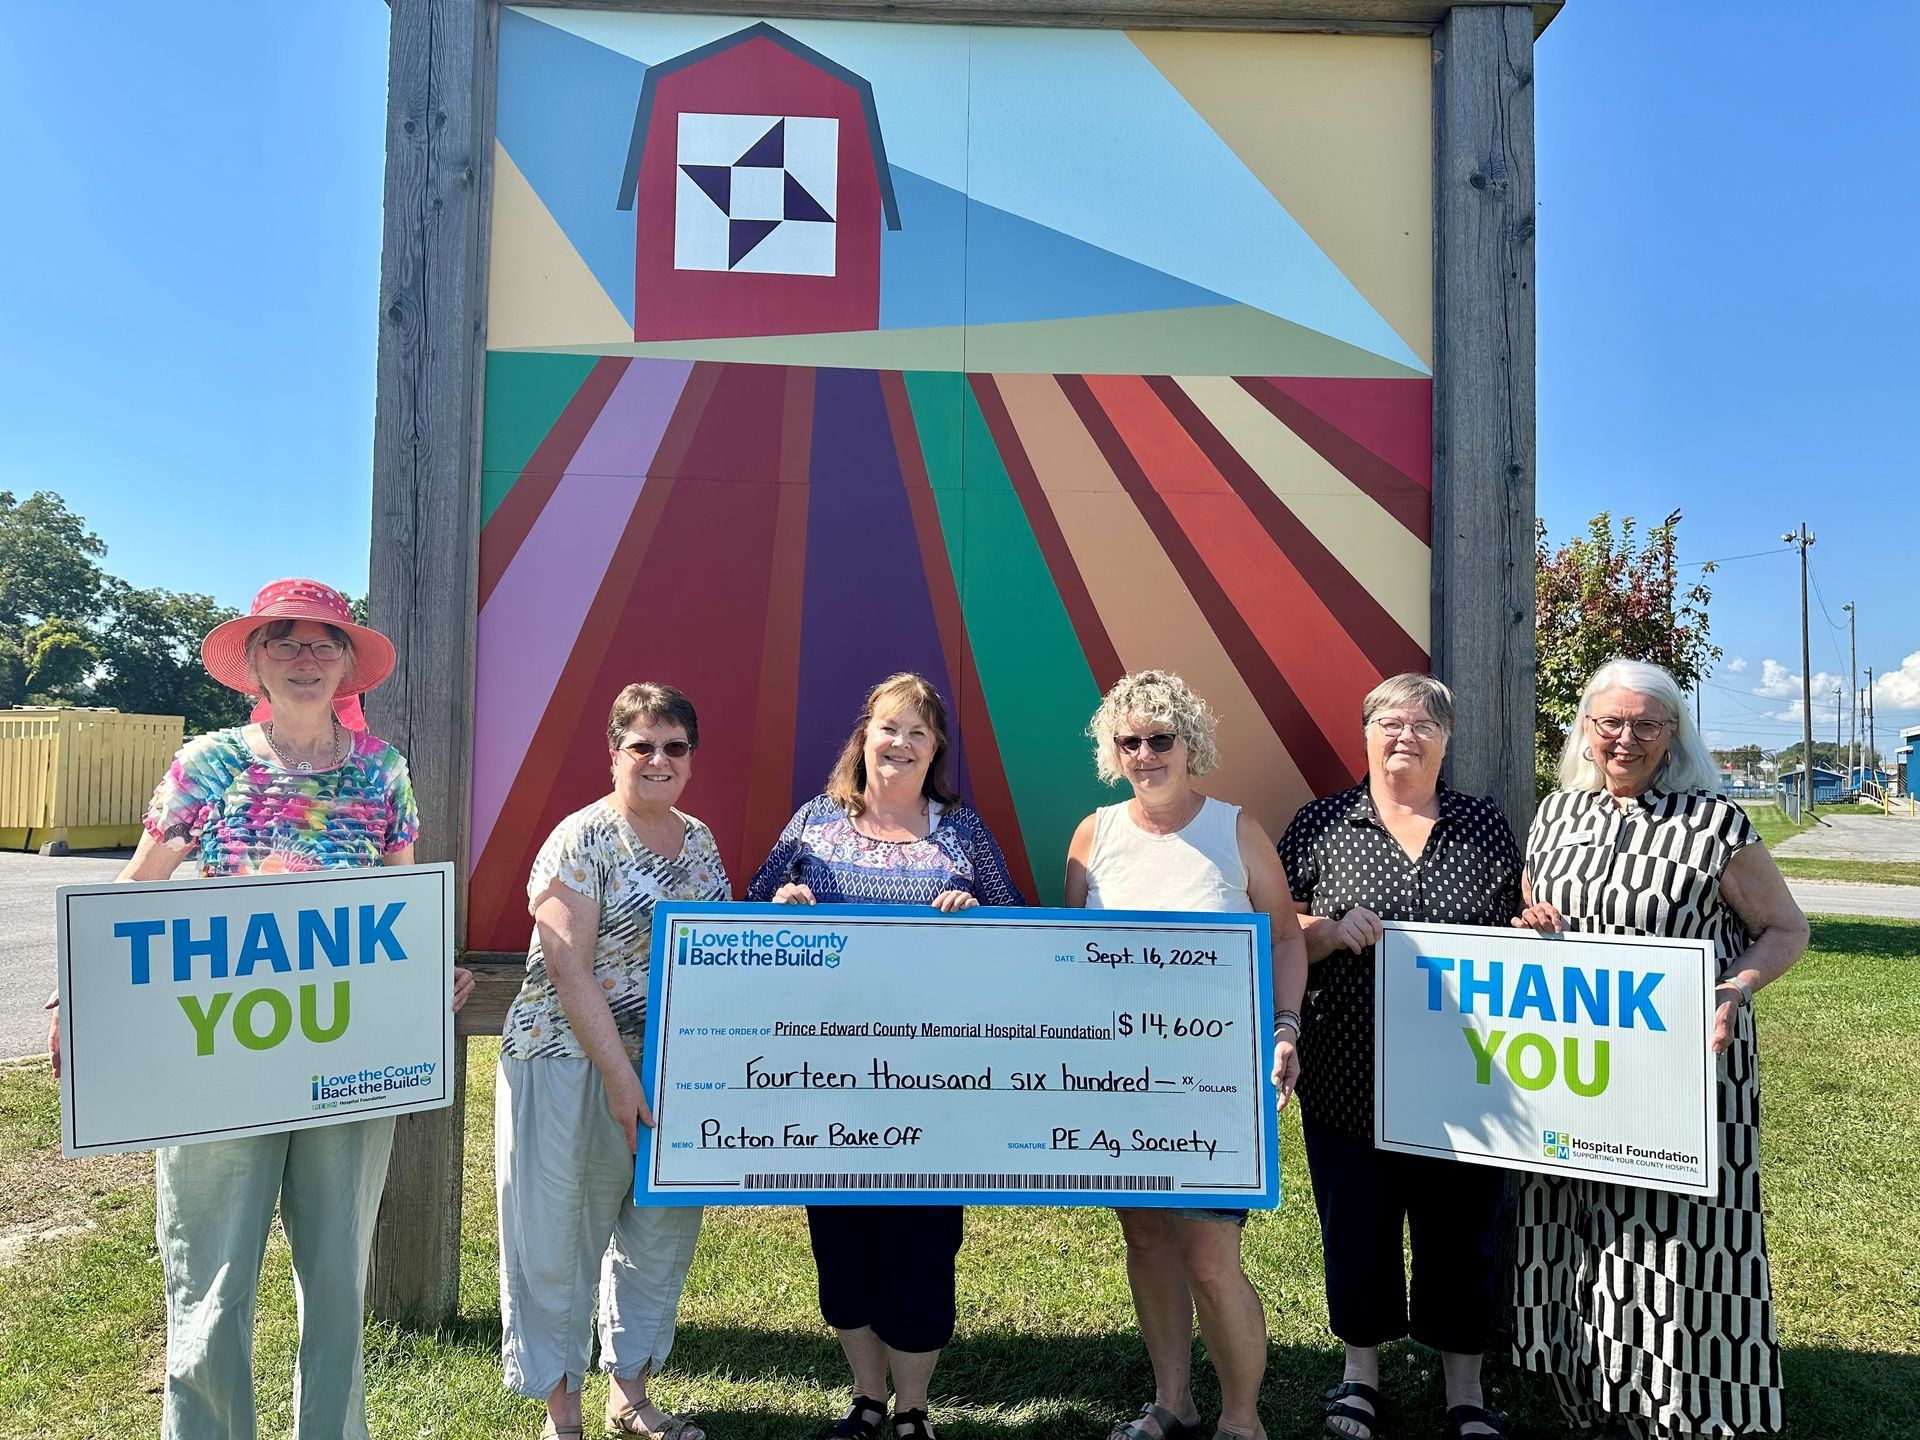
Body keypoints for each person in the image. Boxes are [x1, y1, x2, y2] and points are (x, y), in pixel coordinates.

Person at [46, 577, 474, 1440]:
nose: (306, 659)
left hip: (345, 1059)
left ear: (350, 664)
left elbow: (403, 899)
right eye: (286, 641)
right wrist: (76, 991)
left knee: (338, 1281)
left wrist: (432, 971)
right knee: (208, 1285)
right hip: (217, 1062)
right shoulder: (207, 764)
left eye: (325, 643)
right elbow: (139, 887)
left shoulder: (383, 770)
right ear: (256, 663)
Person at [1508, 659, 1807, 1439]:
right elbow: (1543, 919)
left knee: (1676, 1235)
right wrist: (1536, 927)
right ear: (1587, 728)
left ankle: (1681, 1404)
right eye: (1611, 722)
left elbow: (1786, 929)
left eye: (1646, 724)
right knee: (1582, 1223)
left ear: (1673, 733)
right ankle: (1593, 1391)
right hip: (1582, 1070)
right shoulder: (1555, 816)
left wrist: (1734, 989)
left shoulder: (1716, 822)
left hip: (1689, 1068)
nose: (1626, 739)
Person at [746, 673, 1023, 1440]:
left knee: (924, 1247)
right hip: (829, 1083)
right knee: (842, 1244)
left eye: (918, 732)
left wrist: (975, 919)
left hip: (938, 1087)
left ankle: (913, 1410)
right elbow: (744, 925)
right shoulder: (812, 827)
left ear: (935, 751)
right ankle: (866, 1400)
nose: (899, 744)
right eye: (887, 729)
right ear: (862, 739)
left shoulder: (962, 834)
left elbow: (1019, 939)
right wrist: (781, 909)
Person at [1276, 674, 1524, 1440]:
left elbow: (1517, 915)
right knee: (1357, 1228)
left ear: (1446, 741)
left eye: (1424, 724)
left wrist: (1532, 920)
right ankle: (1361, 1376)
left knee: (1462, 1231)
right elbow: (1278, 926)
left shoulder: (1483, 825)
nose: (1405, 736)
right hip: (1350, 1075)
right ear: (1365, 733)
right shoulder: (1321, 823)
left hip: (1464, 1076)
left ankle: (1465, 1391)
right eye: (1389, 722)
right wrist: (1323, 931)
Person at [1063, 670, 1309, 1440]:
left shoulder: (1236, 830)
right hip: (1117, 1077)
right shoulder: (1092, 835)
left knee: (1209, 1255)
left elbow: (1286, 937)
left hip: (1217, 1079)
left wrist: (1285, 1026)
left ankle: (1243, 1420)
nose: (1145, 753)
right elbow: (1066, 959)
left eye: (1159, 738)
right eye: (1129, 741)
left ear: (1189, 742)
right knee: (1145, 1236)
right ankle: (1173, 1403)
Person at [495, 683, 733, 1440]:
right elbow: (569, 969)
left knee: (661, 1229)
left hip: (671, 1070)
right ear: (615, 755)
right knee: (560, 1235)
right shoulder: (581, 838)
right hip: (569, 1060)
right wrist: (620, 1079)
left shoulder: (699, 841)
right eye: (642, 745)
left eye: (674, 746)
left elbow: (721, 949)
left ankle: (629, 1393)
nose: (658, 759)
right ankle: (560, 1409)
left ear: (691, 759)